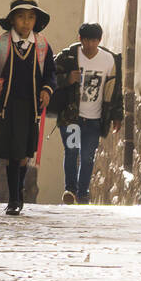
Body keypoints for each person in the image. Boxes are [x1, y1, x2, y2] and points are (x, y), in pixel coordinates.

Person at [0, 0, 56, 215]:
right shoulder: (0, 45)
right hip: (7, 109)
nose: (26, 22)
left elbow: (51, 74)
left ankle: (17, 193)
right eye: (21, 17)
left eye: (30, 17)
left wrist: (46, 90)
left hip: (31, 109)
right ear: (12, 19)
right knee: (13, 154)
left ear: (36, 21)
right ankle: (14, 198)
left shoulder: (42, 46)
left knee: (23, 155)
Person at [52, 23, 123, 204]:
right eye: (86, 40)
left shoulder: (109, 60)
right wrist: (67, 79)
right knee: (72, 151)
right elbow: (49, 78)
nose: (90, 45)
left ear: (99, 40)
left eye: (93, 40)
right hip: (71, 117)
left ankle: (82, 193)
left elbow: (115, 90)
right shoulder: (68, 57)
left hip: (94, 119)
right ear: (80, 39)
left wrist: (117, 115)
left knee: (87, 156)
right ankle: (70, 190)